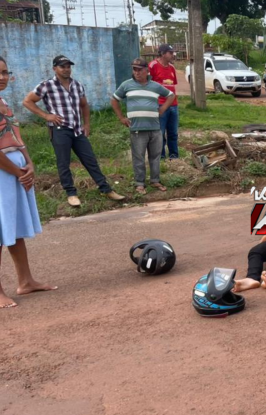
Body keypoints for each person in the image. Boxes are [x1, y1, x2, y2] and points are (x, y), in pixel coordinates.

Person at [23, 55, 126, 207]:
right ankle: (71, 194)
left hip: (77, 130)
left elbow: (84, 105)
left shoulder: (77, 85)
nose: (66, 69)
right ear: (54, 68)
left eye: (68, 66)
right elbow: (27, 101)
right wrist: (46, 115)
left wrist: (87, 124)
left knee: (90, 160)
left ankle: (106, 189)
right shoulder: (46, 85)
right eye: (62, 66)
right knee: (63, 162)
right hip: (60, 130)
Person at [0, 56, 58, 309]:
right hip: (5, 172)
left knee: (15, 228)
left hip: (15, 170)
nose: (3, 77)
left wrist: (29, 164)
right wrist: (16, 171)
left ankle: (25, 281)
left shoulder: (3, 102)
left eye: (5, 72)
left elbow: (15, 136)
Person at [110, 58, 175, 195]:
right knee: (138, 157)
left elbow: (170, 95)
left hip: (155, 128)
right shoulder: (126, 85)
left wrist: (162, 109)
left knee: (155, 156)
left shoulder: (155, 86)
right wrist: (121, 117)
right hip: (137, 129)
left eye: (140, 69)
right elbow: (114, 99)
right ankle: (140, 183)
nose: (137, 72)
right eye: (134, 69)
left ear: (147, 70)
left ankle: (155, 180)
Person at [148, 44, 180, 160]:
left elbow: (172, 85)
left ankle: (174, 156)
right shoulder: (153, 66)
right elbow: (148, 85)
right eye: (170, 53)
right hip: (160, 104)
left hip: (173, 105)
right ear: (162, 53)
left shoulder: (172, 68)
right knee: (159, 133)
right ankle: (160, 156)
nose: (173, 55)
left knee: (173, 133)